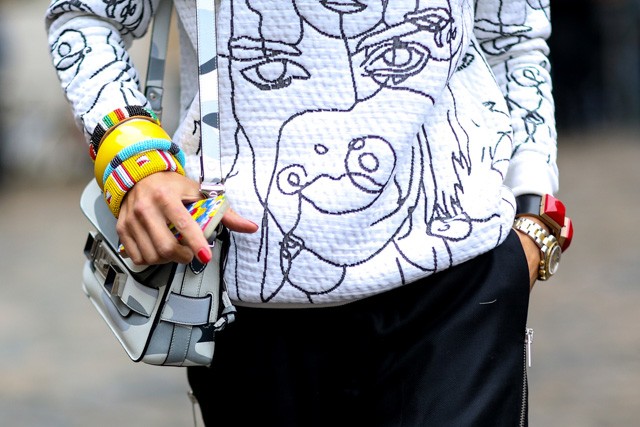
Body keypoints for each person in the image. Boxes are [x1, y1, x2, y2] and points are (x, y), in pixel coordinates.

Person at [46, 1, 573, 426]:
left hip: (461, 282)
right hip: (249, 289)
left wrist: (535, 213)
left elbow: (512, 37)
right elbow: (84, 14)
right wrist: (134, 162)